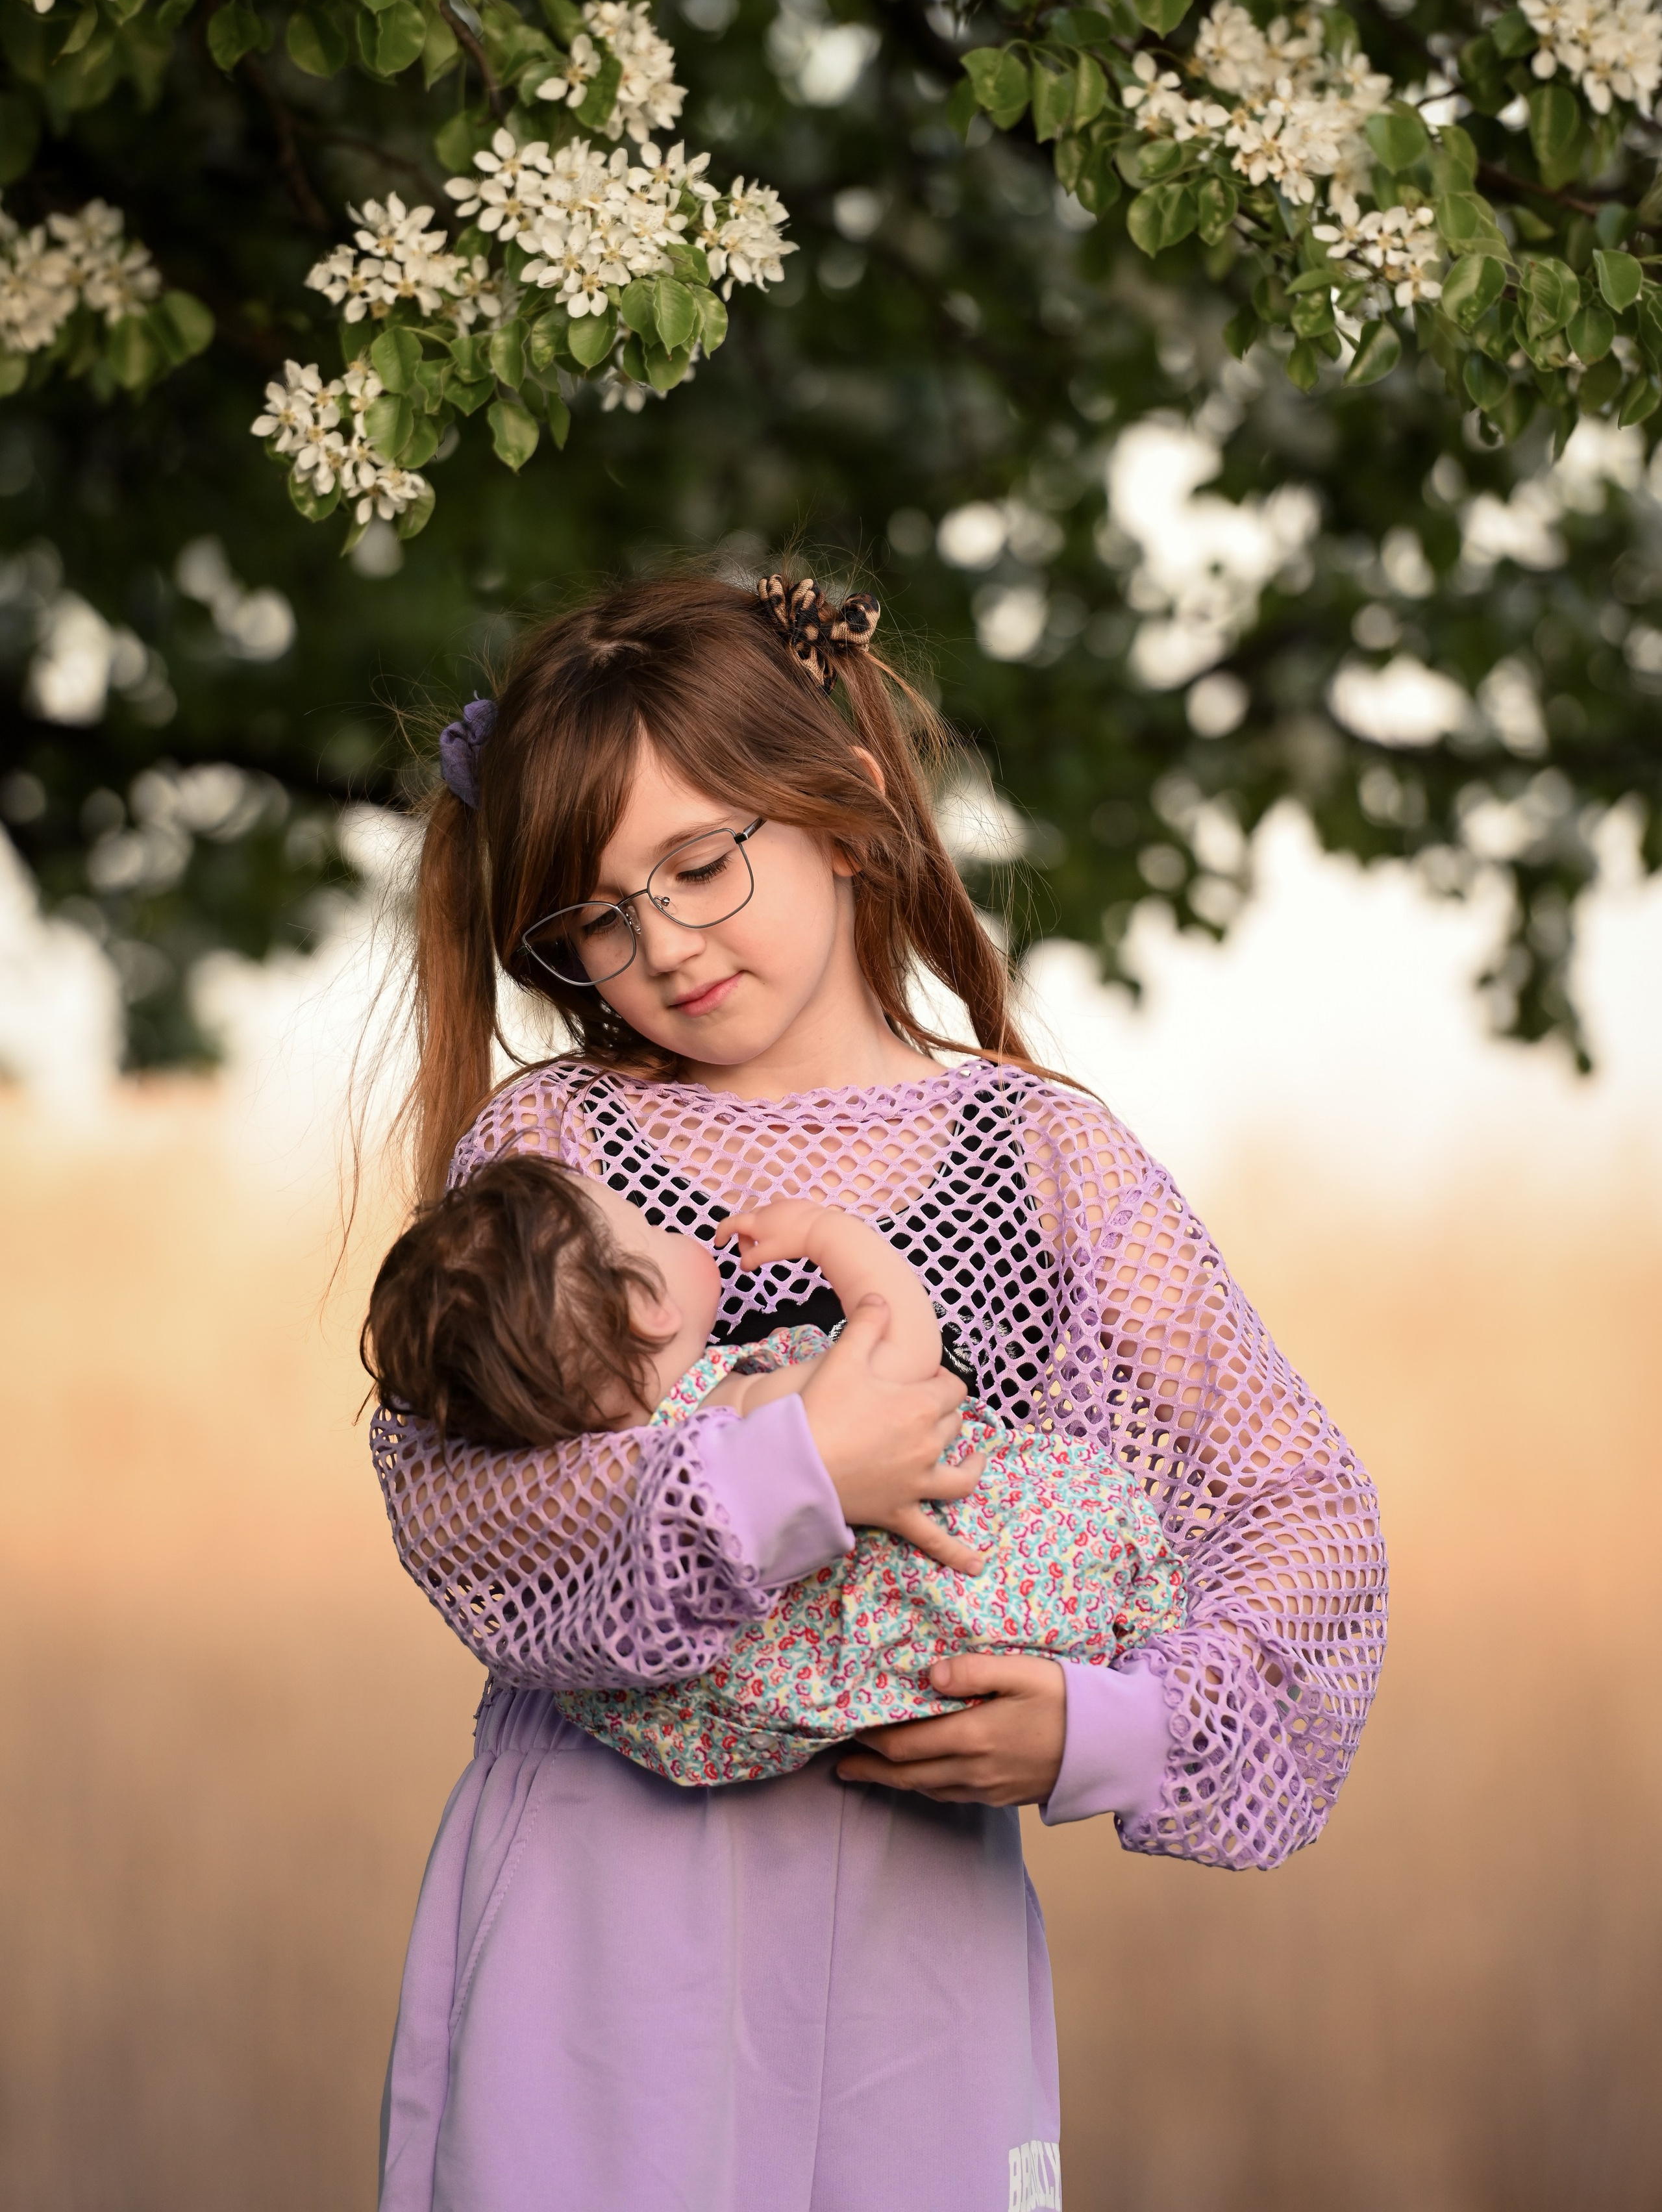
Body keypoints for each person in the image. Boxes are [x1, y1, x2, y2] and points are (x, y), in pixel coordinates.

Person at [371, 570, 1387, 2212]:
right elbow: (458, 1504)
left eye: (701, 863)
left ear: (835, 812)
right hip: (599, 1926)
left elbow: (1295, 1509)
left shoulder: (1041, 1159)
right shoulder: (555, 1148)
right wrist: (788, 1473)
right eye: (600, 920)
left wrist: (1108, 1725)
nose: (667, 945)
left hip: (913, 1954)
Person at [362, 1156, 1185, 1785]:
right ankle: (1129, 1613)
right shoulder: (735, 1408)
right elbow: (906, 1356)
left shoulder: (604, 1488)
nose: (668, 1228)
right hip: (985, 1584)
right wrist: (832, 1237)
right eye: (649, 1228)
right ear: (651, 1308)